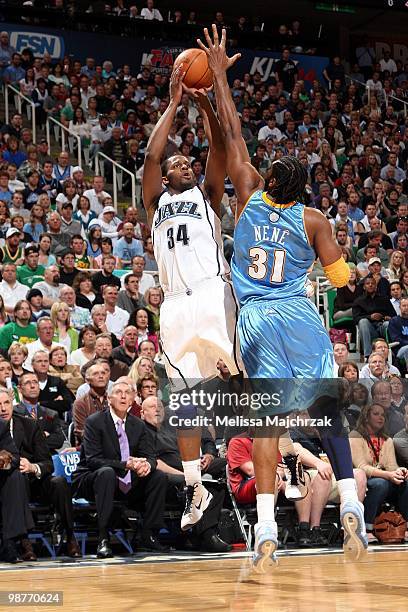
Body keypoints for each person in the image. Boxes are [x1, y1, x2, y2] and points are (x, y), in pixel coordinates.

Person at [199, 25, 367, 570]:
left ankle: (267, 528)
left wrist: (222, 77)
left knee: (268, 423)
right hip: (298, 315)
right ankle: (351, 511)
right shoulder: (314, 218)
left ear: (268, 179)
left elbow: (231, 129)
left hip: (257, 319)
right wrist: (326, 262)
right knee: (327, 414)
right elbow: (342, 281)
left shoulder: (248, 194)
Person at [143, 53, 242, 534]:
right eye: (177, 163)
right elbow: (150, 157)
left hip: (209, 293)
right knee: (182, 399)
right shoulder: (155, 201)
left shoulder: (208, 195)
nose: (182, 164)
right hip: (175, 306)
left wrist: (203, 109)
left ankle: (278, 451)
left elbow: (221, 147)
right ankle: (194, 485)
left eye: (188, 161)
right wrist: (173, 102)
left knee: (240, 379)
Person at [72, 380, 168, 557]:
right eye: (118, 392)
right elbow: (93, 460)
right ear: (109, 398)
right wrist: (126, 465)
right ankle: (103, 538)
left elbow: (151, 455)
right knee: (107, 473)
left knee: (158, 477)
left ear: (133, 399)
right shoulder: (94, 421)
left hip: (126, 481)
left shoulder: (138, 425)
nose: (123, 396)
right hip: (92, 479)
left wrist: (146, 465)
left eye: (127, 393)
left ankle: (148, 536)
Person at [4, 381, 81, 558]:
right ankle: (24, 542)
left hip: (35, 481)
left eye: (6, 403)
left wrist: (33, 467)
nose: (2, 408)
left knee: (59, 482)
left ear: (13, 403)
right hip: (8, 484)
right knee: (17, 478)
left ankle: (70, 537)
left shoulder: (30, 425)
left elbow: (48, 463)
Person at [349, 404, 408, 536]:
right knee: (380, 484)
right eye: (376, 414)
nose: (381, 417)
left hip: (384, 479)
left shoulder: (387, 440)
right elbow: (361, 466)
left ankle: (404, 525)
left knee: (404, 481)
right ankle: (367, 527)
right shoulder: (355, 436)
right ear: (366, 417)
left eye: (383, 415)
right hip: (362, 480)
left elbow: (392, 466)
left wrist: (400, 471)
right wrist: (388, 475)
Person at [352, 276, 396, 359]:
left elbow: (394, 315)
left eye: (372, 283)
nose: (370, 285)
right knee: (363, 321)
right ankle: (368, 356)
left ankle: (392, 354)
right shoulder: (359, 301)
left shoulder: (384, 298)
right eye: (368, 283)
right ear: (364, 287)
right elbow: (355, 319)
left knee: (388, 323)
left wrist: (388, 317)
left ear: (376, 286)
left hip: (382, 325)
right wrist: (370, 317)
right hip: (368, 329)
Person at [72, 359, 111, 445]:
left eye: (103, 373)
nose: (101, 376)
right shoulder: (80, 403)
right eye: (96, 374)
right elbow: (80, 432)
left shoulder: (113, 400)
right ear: (87, 380)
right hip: (90, 448)